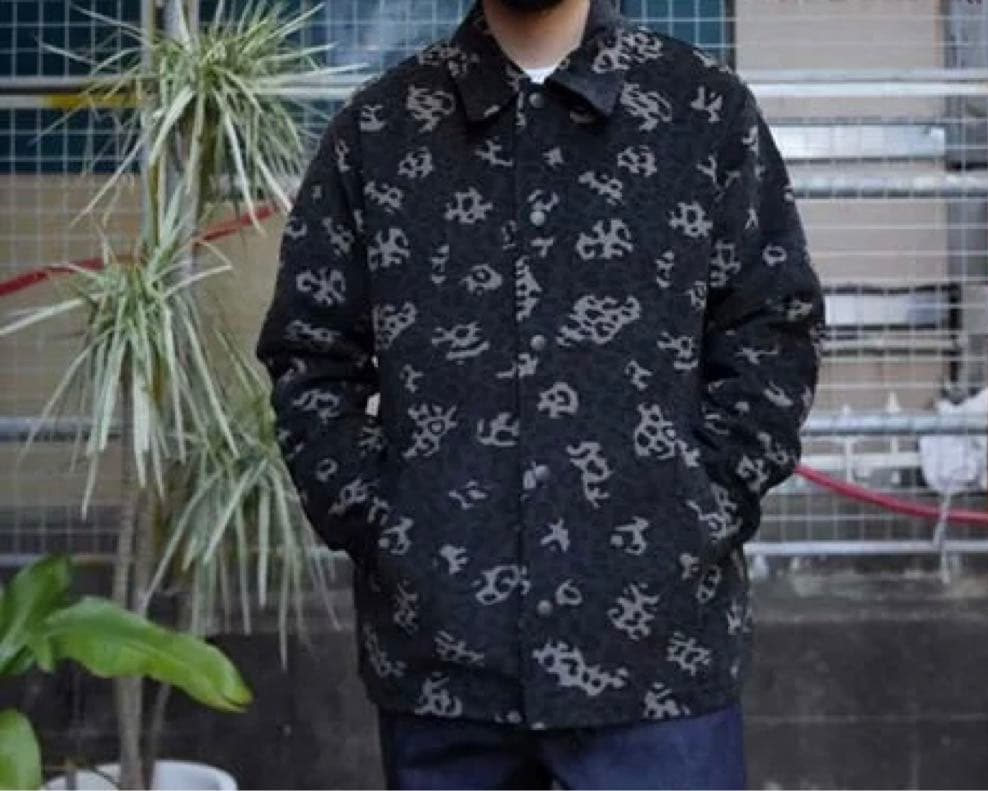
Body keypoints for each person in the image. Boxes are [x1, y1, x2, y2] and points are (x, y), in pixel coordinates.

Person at [255, 0, 824, 786]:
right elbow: (311, 356)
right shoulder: (380, 129)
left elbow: (774, 329)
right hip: (445, 668)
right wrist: (391, 528)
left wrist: (696, 509)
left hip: (658, 658)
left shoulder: (701, 110)